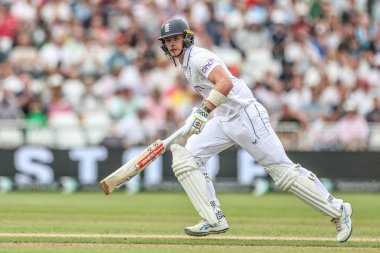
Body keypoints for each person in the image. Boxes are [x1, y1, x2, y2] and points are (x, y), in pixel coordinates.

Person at [158, 18, 353, 243]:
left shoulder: (199, 57)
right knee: (186, 159)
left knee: (283, 173)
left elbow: (225, 83)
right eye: (168, 41)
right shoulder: (184, 64)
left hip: (246, 115)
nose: (172, 44)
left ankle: (339, 210)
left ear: (186, 38)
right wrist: (201, 112)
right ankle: (213, 219)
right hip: (224, 119)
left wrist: (203, 112)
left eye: (176, 39)